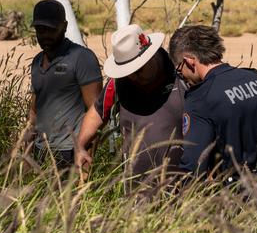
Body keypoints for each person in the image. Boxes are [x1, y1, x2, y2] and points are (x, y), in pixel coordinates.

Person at [168, 24, 257, 183]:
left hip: (235, 201)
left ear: (189, 61)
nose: (182, 77)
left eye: (179, 71)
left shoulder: (200, 100)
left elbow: (194, 166)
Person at [74, 24, 185, 181]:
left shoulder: (181, 73)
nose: (132, 77)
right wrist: (80, 146)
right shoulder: (118, 82)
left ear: (151, 56)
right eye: (127, 72)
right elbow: (97, 112)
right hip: (134, 190)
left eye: (137, 71)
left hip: (182, 186)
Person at [22, 0, 102, 169]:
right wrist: (26, 152)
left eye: (51, 29)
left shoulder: (82, 58)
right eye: (40, 29)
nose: (45, 35)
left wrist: (86, 160)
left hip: (70, 153)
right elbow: (34, 111)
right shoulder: (37, 62)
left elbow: (96, 111)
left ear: (64, 26)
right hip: (41, 152)